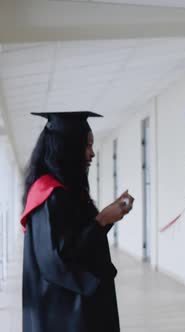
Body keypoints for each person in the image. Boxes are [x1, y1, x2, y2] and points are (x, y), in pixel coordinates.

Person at [21, 111, 135, 332]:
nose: (92, 153)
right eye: (86, 145)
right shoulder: (49, 194)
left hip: (78, 306)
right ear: (67, 148)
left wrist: (108, 216)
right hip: (65, 312)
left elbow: (78, 238)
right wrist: (102, 219)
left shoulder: (66, 191)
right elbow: (57, 258)